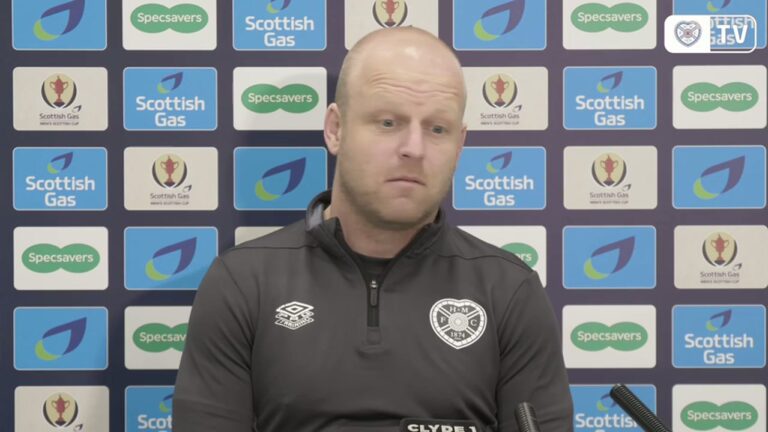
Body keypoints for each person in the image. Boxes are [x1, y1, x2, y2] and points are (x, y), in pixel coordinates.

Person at [174, 26, 573, 431]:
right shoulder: (243, 283)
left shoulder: (509, 290)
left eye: (437, 129)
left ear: (460, 144)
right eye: (388, 122)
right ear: (336, 129)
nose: (414, 148)